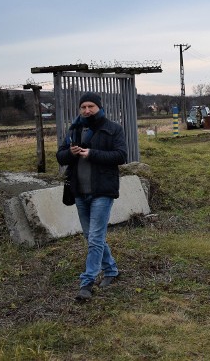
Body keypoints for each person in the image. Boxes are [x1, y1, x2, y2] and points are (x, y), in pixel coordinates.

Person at [56, 92, 128, 301]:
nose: (87, 110)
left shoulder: (113, 129)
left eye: (91, 106)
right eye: (83, 107)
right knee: (91, 237)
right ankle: (111, 270)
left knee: (95, 237)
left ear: (99, 107)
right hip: (79, 191)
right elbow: (60, 157)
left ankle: (87, 282)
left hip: (102, 191)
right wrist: (71, 152)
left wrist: (92, 153)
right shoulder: (74, 129)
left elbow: (121, 156)